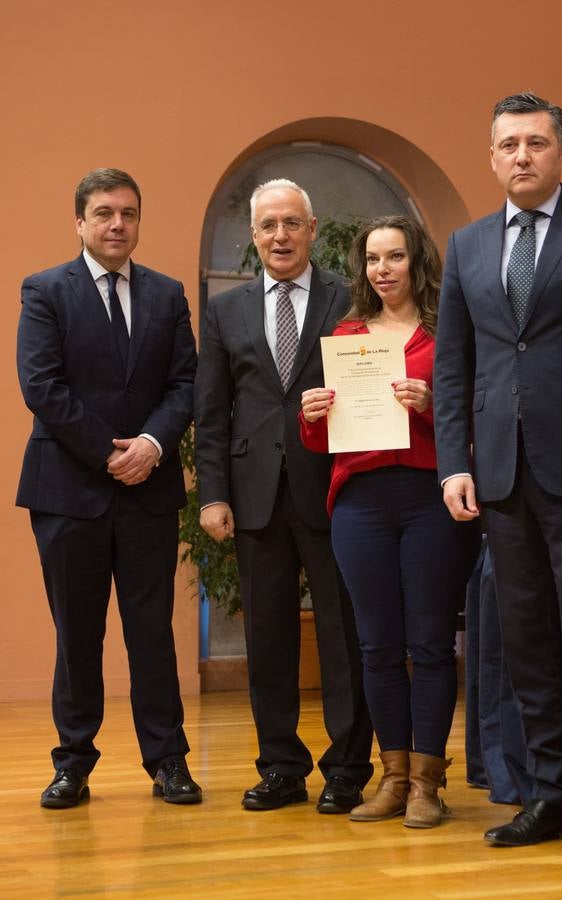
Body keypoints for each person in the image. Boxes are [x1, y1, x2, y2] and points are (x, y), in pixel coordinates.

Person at [433, 93, 562, 861]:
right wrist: (455, 462)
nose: (522, 155)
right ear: (490, 157)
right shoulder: (469, 245)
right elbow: (454, 366)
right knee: (527, 646)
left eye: (537, 143)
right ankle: (550, 795)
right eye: (508, 144)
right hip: (501, 479)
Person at [17, 167, 201, 808]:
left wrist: (151, 446)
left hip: (148, 488)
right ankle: (73, 763)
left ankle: (169, 761)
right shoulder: (44, 291)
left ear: (138, 221)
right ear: (80, 222)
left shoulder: (167, 293)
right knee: (77, 632)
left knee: (152, 630)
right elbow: (42, 388)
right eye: (103, 213)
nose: (117, 224)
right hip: (68, 491)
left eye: (127, 212)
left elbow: (186, 385)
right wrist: (108, 452)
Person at [194, 178, 373, 813]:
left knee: (343, 634)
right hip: (253, 496)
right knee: (267, 638)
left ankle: (348, 768)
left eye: (291, 223)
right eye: (268, 225)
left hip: (333, 490)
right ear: (254, 234)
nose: (280, 236)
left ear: (313, 229)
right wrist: (212, 494)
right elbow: (211, 412)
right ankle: (281, 768)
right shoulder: (225, 311)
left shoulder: (351, 300)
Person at [300, 215, 481, 828]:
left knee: (430, 644)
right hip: (360, 504)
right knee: (375, 647)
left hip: (430, 498)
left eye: (396, 257)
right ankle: (392, 777)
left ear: (417, 262)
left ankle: (428, 784)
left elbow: (471, 418)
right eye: (374, 259)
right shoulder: (349, 337)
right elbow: (326, 439)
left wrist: (431, 408)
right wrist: (312, 412)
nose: (383, 269)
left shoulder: (445, 334)